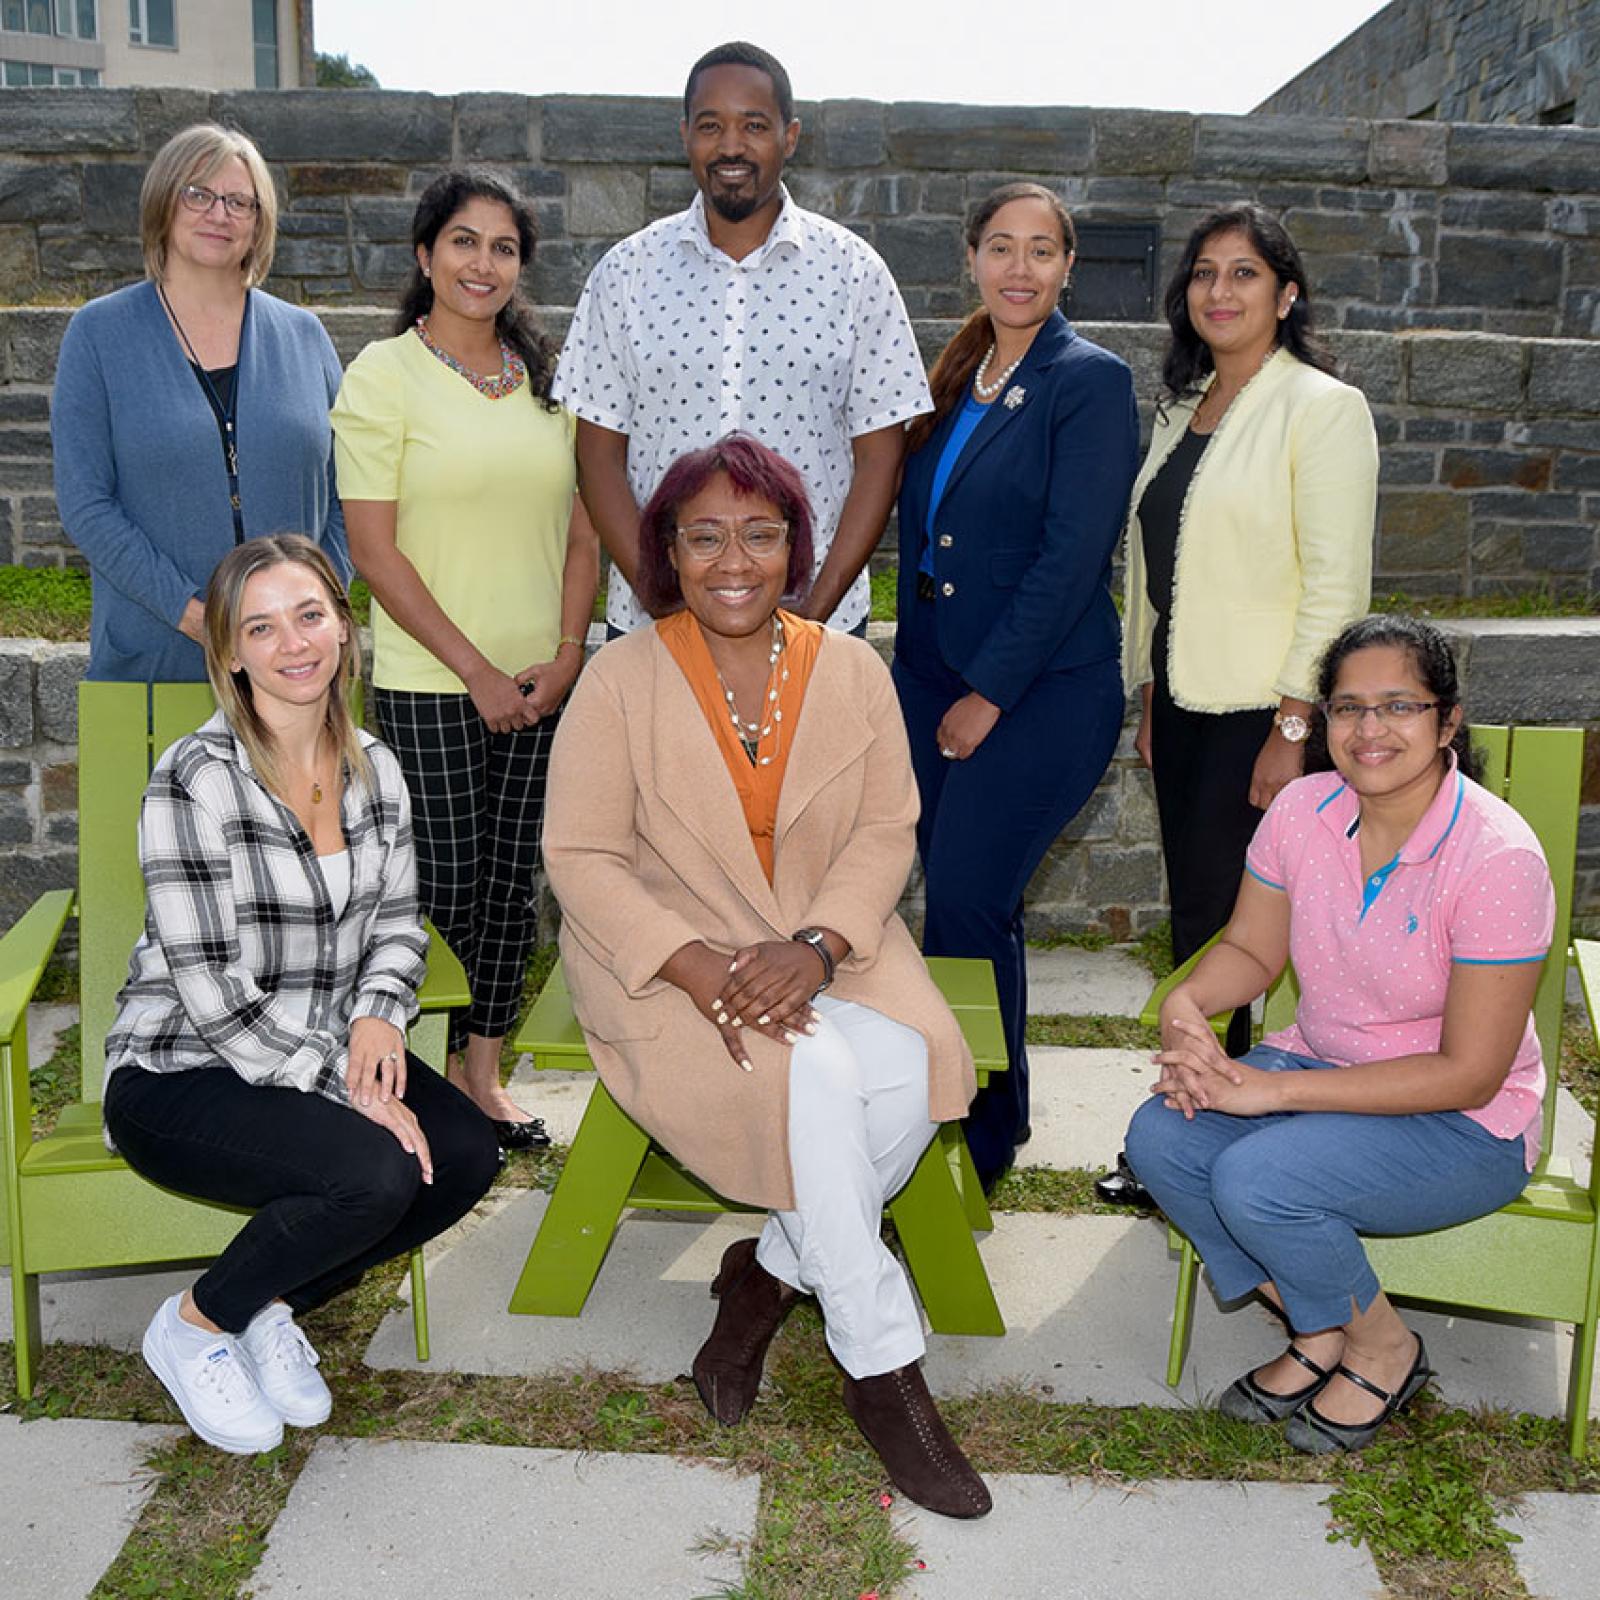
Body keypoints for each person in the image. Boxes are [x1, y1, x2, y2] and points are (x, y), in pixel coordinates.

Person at [542, 434, 991, 1519]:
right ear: (667, 554)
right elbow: (581, 856)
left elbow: (888, 830)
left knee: (913, 1063)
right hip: (663, 957)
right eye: (704, 536)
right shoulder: (620, 679)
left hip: (826, 947)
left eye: (758, 531)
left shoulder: (850, 670)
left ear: (796, 544)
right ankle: (881, 1368)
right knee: (832, 1078)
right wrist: (693, 964)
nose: (732, 558)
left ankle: (763, 1277)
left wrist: (821, 946)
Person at [102, 536, 500, 1456]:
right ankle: (196, 1325)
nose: (293, 643)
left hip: (325, 1046)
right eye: (262, 626)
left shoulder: (374, 767)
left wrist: (374, 1016)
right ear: (231, 652)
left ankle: (265, 1305)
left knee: (467, 1153)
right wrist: (349, 1082)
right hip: (185, 1070)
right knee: (375, 1172)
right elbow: (213, 993)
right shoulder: (194, 780)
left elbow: (400, 924)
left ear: (343, 626)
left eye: (310, 614)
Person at [1122, 615, 1554, 1454]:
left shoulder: (1497, 857)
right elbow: (1250, 948)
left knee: (1257, 1177)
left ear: (1447, 722)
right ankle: (1323, 1329)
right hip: (1323, 1066)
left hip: (1461, 1123)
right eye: (1348, 707)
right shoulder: (1303, 807)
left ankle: (1385, 1348)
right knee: (1161, 1139)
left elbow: (1469, 1073)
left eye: (1399, 705)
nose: (1370, 729)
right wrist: (1185, 1011)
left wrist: (1273, 1091)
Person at [1098, 203, 1379, 1206]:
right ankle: (1197, 1120)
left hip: (1268, 711)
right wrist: (1147, 685)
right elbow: (1158, 566)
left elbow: (1337, 582)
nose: (1221, 290)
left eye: (1245, 273)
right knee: (1199, 916)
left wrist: (1295, 724)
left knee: (1237, 929)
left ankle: (1205, 1134)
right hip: (1183, 701)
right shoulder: (1183, 410)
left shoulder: (1321, 407)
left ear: (1284, 293)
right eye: (1205, 274)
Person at [332, 169, 599, 1151]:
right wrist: (477, 670)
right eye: (462, 242)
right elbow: (373, 552)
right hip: (432, 682)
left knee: (508, 887)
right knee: (438, 889)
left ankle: (480, 1076)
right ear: (424, 255)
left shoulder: (548, 382)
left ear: (519, 266)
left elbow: (585, 533)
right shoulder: (381, 378)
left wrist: (567, 656)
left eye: (502, 247)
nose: (481, 263)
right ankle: (412, 1087)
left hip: (543, 682)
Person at [894, 183, 1138, 1190]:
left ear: (1068, 266)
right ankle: (1003, 1104)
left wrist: (987, 690)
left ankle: (977, 1144)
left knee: (960, 896)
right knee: (972, 907)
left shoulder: (1089, 380)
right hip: (929, 676)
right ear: (971, 258)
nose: (1021, 268)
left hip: (1039, 690)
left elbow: (1073, 554)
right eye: (1002, 246)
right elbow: (925, 534)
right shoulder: (960, 374)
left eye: (1042, 250)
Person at [554, 39, 931, 637]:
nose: (731, 145)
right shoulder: (623, 275)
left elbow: (880, 457)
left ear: (791, 135)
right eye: (711, 125)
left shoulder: (856, 274)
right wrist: (664, 605)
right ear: (685, 135)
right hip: (657, 631)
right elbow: (597, 455)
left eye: (754, 125)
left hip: (814, 624)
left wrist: (813, 613)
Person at [52, 123, 349, 683]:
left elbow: (349, 491)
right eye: (198, 194)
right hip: (156, 658)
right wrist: (192, 613)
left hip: (299, 666)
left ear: (260, 223)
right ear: (163, 201)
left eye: (240, 201)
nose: (220, 214)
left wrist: (315, 606)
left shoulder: (305, 337)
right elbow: (86, 503)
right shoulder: (98, 335)